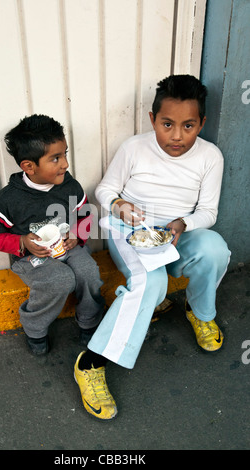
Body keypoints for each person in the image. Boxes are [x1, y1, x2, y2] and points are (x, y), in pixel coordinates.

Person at [74, 74, 231, 420]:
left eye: (189, 126)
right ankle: (91, 362)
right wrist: (118, 205)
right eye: (167, 124)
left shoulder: (210, 157)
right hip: (128, 230)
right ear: (152, 120)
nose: (177, 136)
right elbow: (105, 189)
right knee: (153, 282)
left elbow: (208, 211)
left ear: (202, 123)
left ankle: (200, 313)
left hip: (175, 233)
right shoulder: (134, 147)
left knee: (215, 249)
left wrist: (181, 225)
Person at [0, 114, 105, 355]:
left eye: (65, 154)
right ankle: (35, 328)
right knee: (61, 280)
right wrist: (22, 242)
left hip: (68, 247)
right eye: (55, 158)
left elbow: (84, 215)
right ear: (29, 166)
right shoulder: (10, 199)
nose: (65, 164)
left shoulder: (70, 186)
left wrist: (77, 235)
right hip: (31, 258)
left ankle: (89, 321)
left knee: (88, 271)